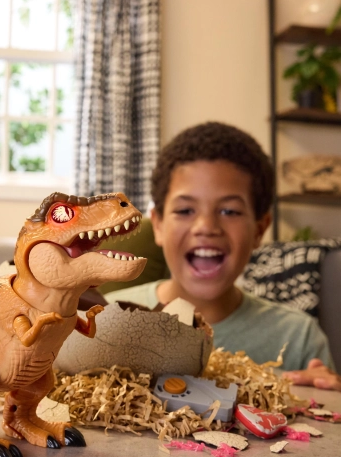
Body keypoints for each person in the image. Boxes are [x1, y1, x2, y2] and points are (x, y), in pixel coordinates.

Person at [105, 121, 341, 391]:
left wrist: (329, 397)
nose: (206, 227)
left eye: (229, 211)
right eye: (185, 211)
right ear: (158, 225)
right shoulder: (104, 318)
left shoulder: (298, 337)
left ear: (259, 230)